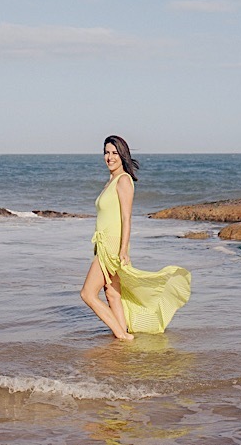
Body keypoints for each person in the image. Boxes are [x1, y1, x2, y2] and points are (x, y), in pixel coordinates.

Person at [80, 135, 191, 339]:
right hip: (104, 243)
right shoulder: (111, 181)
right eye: (106, 152)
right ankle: (123, 341)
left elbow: (126, 217)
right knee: (112, 293)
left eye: (114, 153)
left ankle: (122, 336)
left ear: (123, 156)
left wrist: (123, 250)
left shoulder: (123, 180)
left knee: (87, 294)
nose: (110, 157)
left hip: (112, 245)